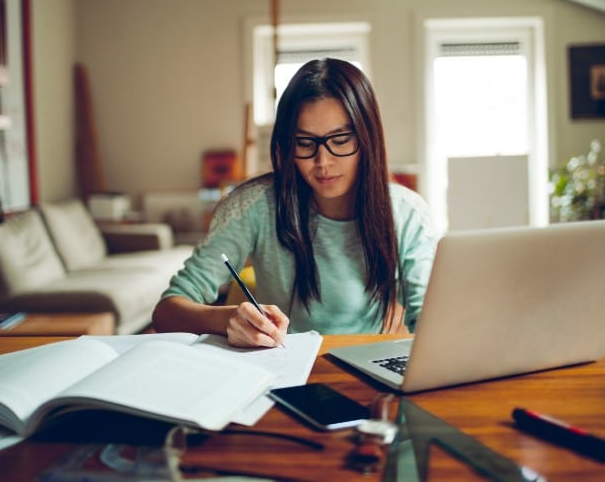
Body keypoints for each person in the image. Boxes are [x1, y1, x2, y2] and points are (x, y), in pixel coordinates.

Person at [152, 58, 437, 347]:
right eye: (305, 142)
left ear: (367, 139)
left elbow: (431, 321)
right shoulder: (253, 206)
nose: (322, 162)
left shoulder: (406, 211)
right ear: (287, 144)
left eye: (339, 140)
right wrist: (228, 319)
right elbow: (166, 313)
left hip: (366, 373)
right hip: (282, 370)